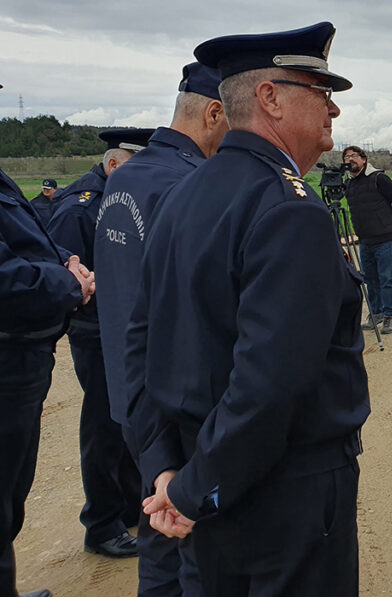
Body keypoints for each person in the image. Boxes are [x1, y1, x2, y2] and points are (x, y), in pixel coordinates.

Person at [125, 23, 370, 596]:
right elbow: (271, 384)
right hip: (285, 492)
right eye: (320, 90)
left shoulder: (183, 192)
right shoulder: (291, 208)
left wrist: (166, 468)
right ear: (270, 98)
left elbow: (139, 343)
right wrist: (188, 491)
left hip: (200, 471)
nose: (333, 109)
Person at [94, 62, 227, 597]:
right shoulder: (191, 184)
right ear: (215, 112)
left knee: (157, 530)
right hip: (174, 400)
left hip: (128, 392)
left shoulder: (127, 174)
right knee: (189, 538)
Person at [0, 81, 95, 597]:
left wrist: (63, 259)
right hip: (7, 356)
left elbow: (28, 237)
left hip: (22, 355)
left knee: (11, 491)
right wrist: (69, 283)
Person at [47, 128, 154, 559]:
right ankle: (102, 523)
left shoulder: (117, 197)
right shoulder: (80, 207)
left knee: (127, 419)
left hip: (122, 328)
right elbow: (64, 274)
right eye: (135, 165)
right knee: (104, 427)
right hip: (96, 333)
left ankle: (128, 506)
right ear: (113, 164)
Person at [342, 145, 392, 334]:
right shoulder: (350, 184)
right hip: (364, 239)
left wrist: (387, 223)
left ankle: (388, 316)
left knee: (386, 278)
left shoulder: (378, 178)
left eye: (353, 156)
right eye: (345, 157)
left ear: (364, 159)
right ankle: (375, 313)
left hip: (383, 238)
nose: (349, 160)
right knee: (369, 279)